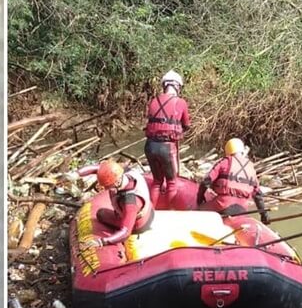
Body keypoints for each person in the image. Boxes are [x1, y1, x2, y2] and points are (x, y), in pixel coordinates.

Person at [77, 160, 154, 247]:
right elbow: (100, 169)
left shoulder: (130, 202)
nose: (106, 189)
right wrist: (76, 174)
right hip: (149, 210)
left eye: (108, 187)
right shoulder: (124, 172)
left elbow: (125, 232)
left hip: (138, 224)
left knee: (101, 214)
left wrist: (101, 242)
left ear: (117, 183)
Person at [144, 70, 190, 209]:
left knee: (157, 181)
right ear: (177, 86)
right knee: (171, 182)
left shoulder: (153, 100)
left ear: (164, 85)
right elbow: (186, 124)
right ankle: (170, 211)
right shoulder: (180, 102)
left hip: (150, 145)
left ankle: (152, 211)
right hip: (167, 147)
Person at [197, 138, 270, 223]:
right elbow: (258, 195)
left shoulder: (225, 162)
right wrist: (264, 215)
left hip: (223, 204)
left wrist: (199, 200)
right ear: (242, 151)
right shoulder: (251, 167)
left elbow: (206, 181)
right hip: (242, 209)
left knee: (198, 210)